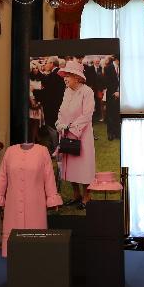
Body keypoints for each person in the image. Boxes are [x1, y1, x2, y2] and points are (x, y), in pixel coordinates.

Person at [55, 60, 97, 208]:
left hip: (82, 135)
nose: (65, 78)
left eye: (69, 75)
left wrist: (72, 128)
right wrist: (60, 124)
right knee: (70, 166)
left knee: (83, 167)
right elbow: (62, 110)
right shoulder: (67, 91)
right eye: (65, 75)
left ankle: (86, 197)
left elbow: (87, 114)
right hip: (66, 134)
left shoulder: (87, 91)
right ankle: (76, 195)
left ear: (77, 77)